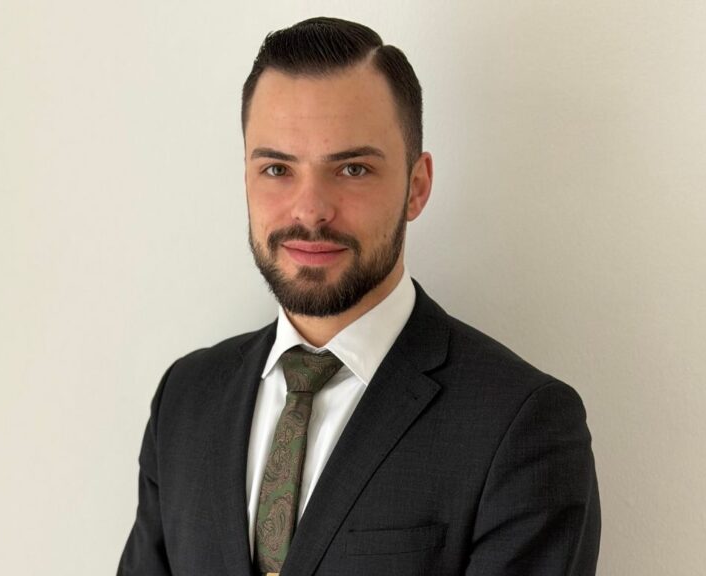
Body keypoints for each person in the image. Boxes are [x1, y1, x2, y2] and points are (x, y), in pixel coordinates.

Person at [117, 16, 600, 576]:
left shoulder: (520, 425)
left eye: (352, 168)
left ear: (417, 186)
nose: (310, 210)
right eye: (277, 168)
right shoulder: (185, 399)